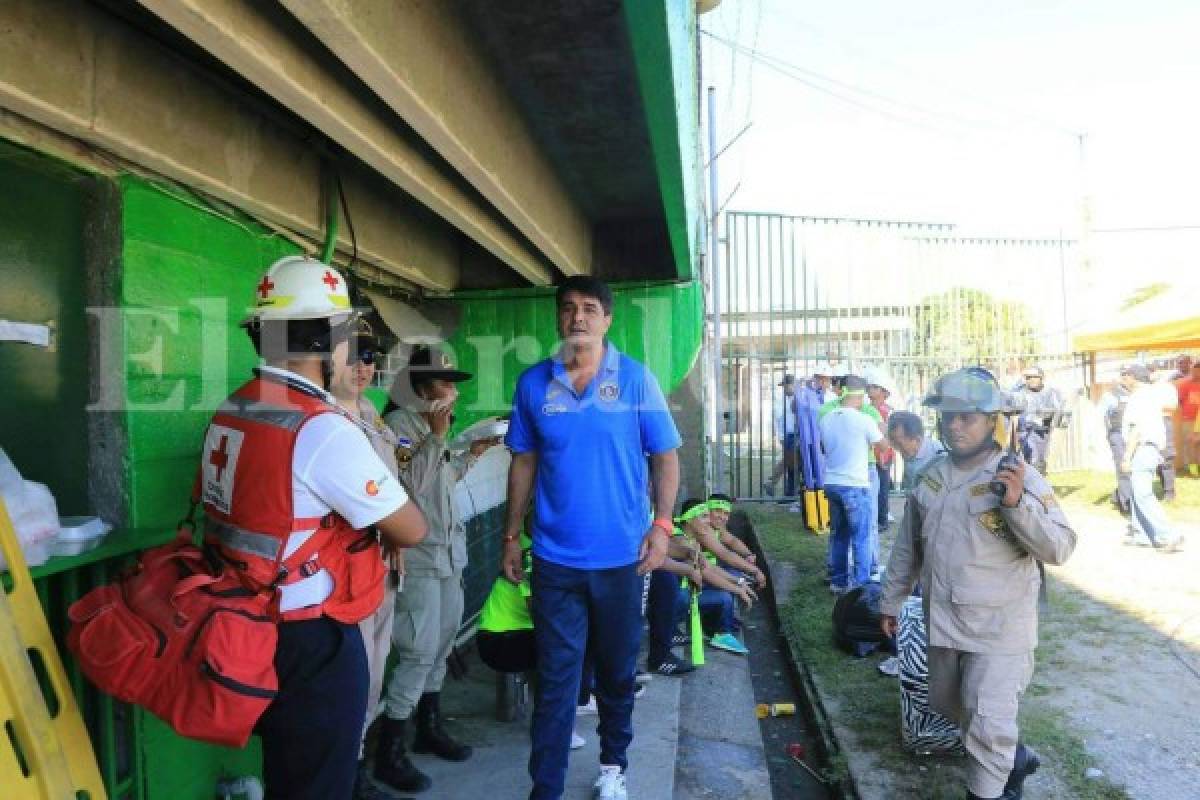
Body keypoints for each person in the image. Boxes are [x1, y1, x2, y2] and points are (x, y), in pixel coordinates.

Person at [200, 255, 427, 800]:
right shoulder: (320, 428)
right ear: (328, 341)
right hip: (312, 638)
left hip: (248, 622)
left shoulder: (234, 407)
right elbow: (411, 528)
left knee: (290, 775)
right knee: (317, 785)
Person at [501, 275, 681, 800]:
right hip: (555, 560)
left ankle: (612, 766)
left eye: (588, 309)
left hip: (621, 557)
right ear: (559, 319)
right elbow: (524, 460)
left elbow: (665, 457)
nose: (577, 318)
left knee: (617, 671)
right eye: (567, 309)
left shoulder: (636, 380)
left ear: (606, 319)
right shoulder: (534, 384)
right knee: (556, 678)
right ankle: (546, 786)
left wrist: (663, 526)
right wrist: (511, 536)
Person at [880, 368, 1077, 800]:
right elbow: (907, 548)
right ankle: (1016, 758)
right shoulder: (929, 476)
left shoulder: (1016, 477)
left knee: (988, 723)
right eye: (949, 416)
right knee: (955, 706)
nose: (955, 425)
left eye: (967, 417)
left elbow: (1060, 547)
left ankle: (991, 789)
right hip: (944, 622)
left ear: (993, 421)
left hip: (1000, 629)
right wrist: (891, 601)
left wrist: (1015, 505)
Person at [375, 344, 500, 793]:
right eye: (444, 383)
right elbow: (409, 487)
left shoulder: (431, 431)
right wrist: (438, 436)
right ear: (419, 387)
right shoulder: (399, 428)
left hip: (450, 553)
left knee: (443, 642)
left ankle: (428, 725)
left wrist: (471, 455)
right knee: (418, 650)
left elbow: (441, 484)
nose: (452, 392)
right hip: (419, 559)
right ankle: (389, 748)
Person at [326, 323, 409, 800]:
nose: (363, 367)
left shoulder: (372, 413)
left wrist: (394, 532)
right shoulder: (324, 416)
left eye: (371, 358)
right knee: (354, 677)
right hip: (346, 570)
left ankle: (358, 768)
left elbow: (388, 478)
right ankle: (346, 774)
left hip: (384, 561)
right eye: (354, 356)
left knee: (376, 670)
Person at [818, 375, 885, 593]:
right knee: (862, 536)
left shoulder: (826, 418)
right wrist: (883, 430)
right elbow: (882, 446)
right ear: (859, 395)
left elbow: (822, 448)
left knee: (839, 534)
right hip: (855, 484)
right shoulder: (864, 419)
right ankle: (861, 586)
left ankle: (838, 582)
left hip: (832, 483)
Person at [1120, 365, 1184, 551]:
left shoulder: (1139, 397)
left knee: (1142, 494)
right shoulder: (1151, 395)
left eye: (1126, 376)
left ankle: (1169, 534)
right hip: (1150, 448)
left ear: (1133, 378)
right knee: (1136, 492)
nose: (1123, 380)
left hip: (1142, 448)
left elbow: (1137, 429)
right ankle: (1142, 534)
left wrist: (1126, 456)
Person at [1008, 365, 1063, 474]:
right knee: (1032, 459)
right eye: (1028, 377)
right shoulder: (1019, 392)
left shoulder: (1051, 392)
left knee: (1040, 461)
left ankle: (1039, 483)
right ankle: (1031, 485)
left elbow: (1059, 413)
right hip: (1025, 432)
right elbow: (1011, 407)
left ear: (1041, 378)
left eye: (1034, 377)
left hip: (1043, 432)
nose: (1031, 380)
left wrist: (1049, 415)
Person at [864, 368, 896, 531]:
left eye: (874, 387)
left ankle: (881, 520)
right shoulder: (868, 408)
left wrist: (882, 458)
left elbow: (885, 437)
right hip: (873, 455)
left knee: (882, 489)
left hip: (882, 455)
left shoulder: (884, 411)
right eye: (869, 387)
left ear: (884, 392)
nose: (870, 390)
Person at [1097, 378, 1133, 515]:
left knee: (1134, 468)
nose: (1127, 378)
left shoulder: (1137, 393)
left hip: (1134, 434)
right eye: (1124, 375)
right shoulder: (1111, 395)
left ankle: (1117, 496)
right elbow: (1099, 414)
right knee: (1123, 468)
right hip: (1117, 433)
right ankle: (1126, 504)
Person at [886, 411, 945, 490]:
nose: (896, 449)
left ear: (917, 440)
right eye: (893, 443)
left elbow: (940, 490)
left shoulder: (938, 454)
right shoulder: (910, 452)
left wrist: (922, 479)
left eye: (899, 444)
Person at [764, 375, 801, 498]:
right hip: (789, 435)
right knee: (790, 462)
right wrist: (779, 435)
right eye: (784, 386)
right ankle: (778, 486)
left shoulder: (799, 398)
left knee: (792, 463)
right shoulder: (781, 401)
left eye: (786, 385)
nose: (784, 388)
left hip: (798, 434)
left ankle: (782, 488)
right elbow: (777, 420)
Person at [1148, 364, 1179, 502]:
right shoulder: (1145, 388)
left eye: (1152, 371)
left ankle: (1169, 492)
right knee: (1152, 456)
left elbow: (1173, 406)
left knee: (1167, 457)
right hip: (1147, 422)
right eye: (1149, 371)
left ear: (1158, 372)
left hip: (1163, 420)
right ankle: (1159, 488)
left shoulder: (1167, 387)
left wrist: (1154, 406)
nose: (1150, 374)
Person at [1176, 356, 1200, 478]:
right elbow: (1179, 401)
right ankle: (1192, 469)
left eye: (1198, 372)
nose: (1195, 374)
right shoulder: (1185, 384)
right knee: (1191, 444)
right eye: (1194, 371)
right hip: (1189, 419)